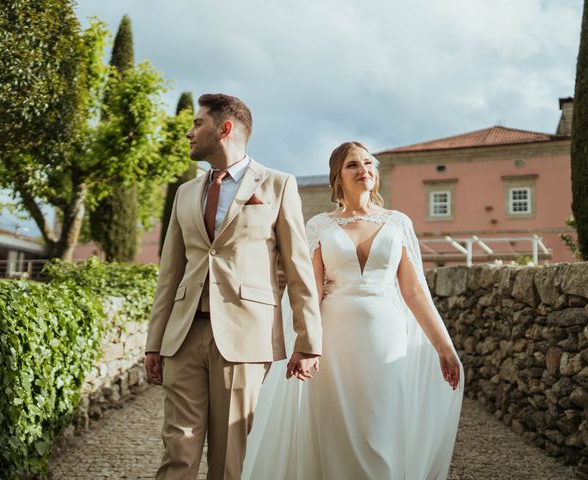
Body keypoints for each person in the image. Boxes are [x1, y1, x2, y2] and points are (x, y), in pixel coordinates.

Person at [242, 141, 464, 480]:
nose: (364, 170)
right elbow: (309, 292)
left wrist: (443, 347)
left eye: (369, 163)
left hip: (386, 337)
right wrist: (305, 345)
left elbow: (415, 290)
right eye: (353, 165)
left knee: (382, 419)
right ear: (337, 178)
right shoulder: (319, 225)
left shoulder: (398, 223)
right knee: (334, 422)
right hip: (333, 338)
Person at [144, 93, 323, 480]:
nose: (190, 132)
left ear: (225, 129)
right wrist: (154, 342)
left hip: (245, 337)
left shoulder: (277, 185)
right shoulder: (185, 192)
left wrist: (308, 342)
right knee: (177, 449)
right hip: (183, 335)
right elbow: (169, 272)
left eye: (197, 123)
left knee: (229, 460)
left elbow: (298, 268)